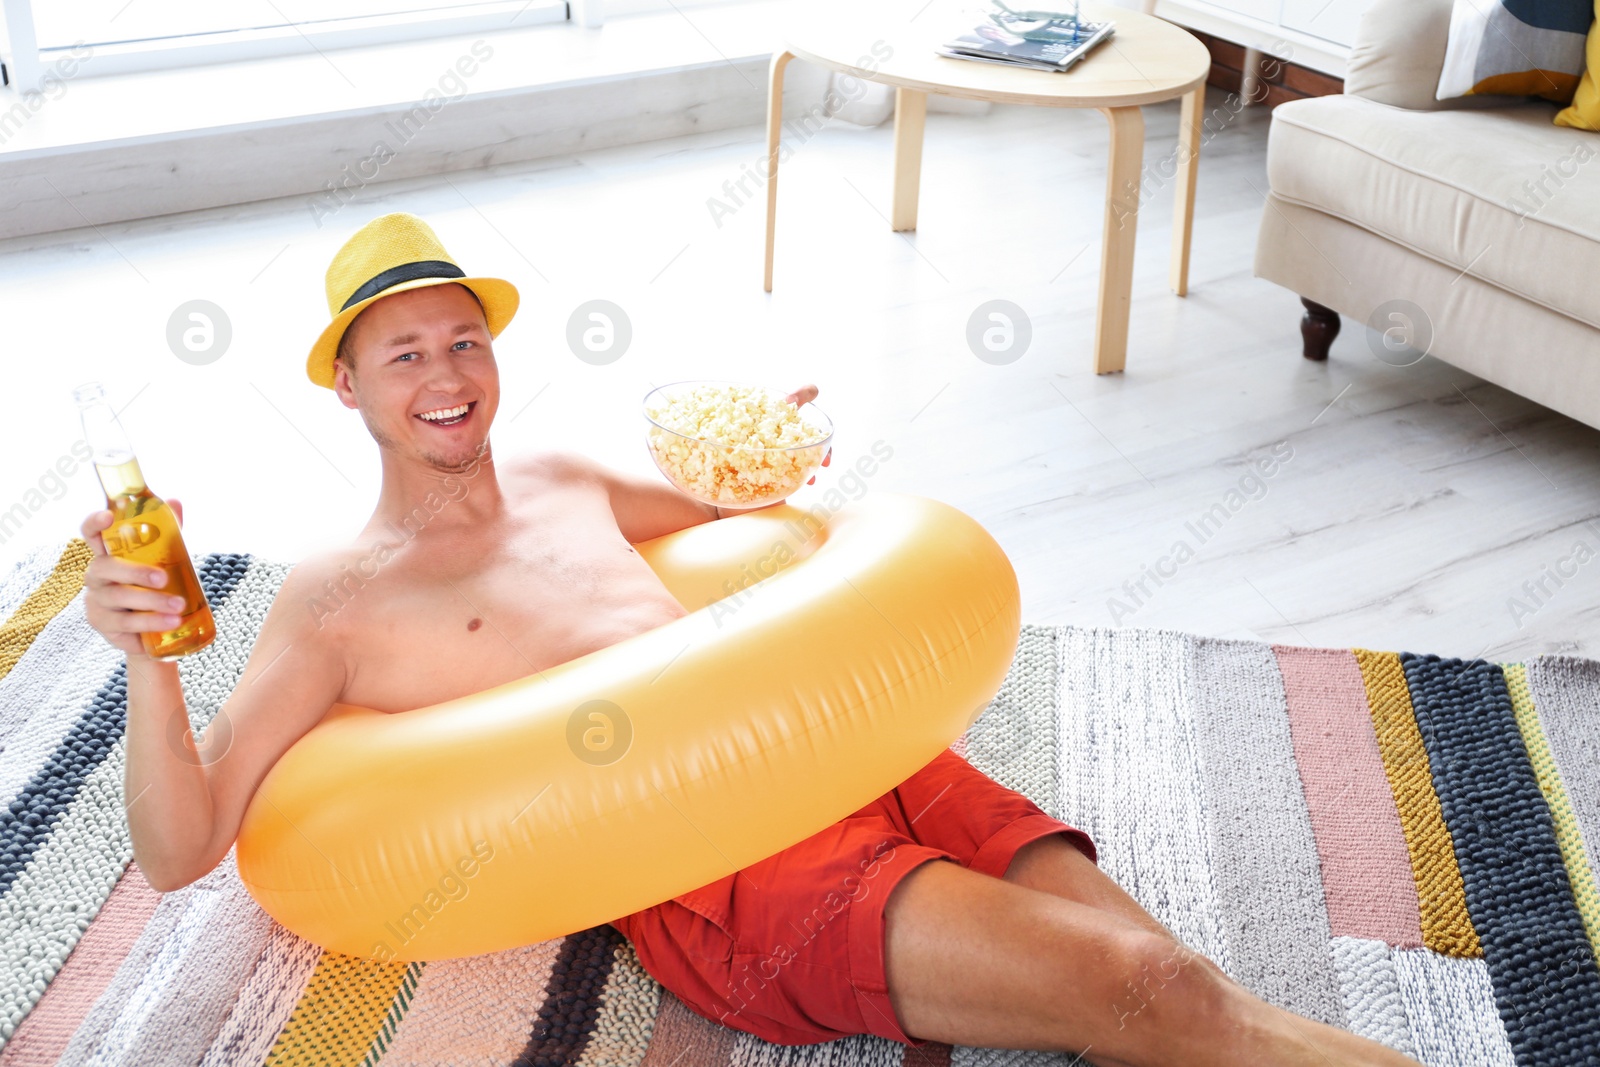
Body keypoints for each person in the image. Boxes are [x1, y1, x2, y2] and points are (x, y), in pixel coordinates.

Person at [81, 213, 1420, 1066]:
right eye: (405, 357)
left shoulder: (564, 475)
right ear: (347, 386)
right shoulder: (338, 598)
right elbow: (184, 843)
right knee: (1147, 996)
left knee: (1182, 985)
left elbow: (749, 515)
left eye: (463, 341)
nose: (446, 379)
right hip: (727, 873)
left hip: (850, 751)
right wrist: (147, 653)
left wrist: (767, 443)